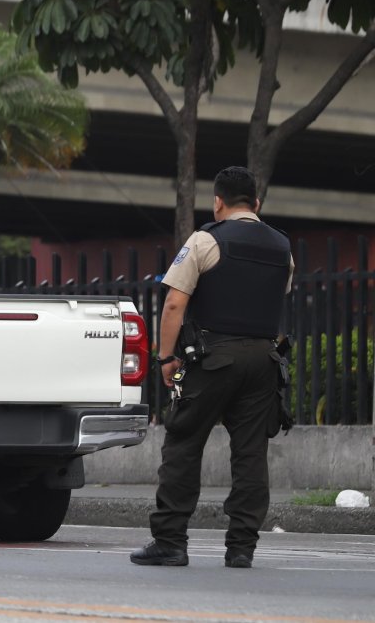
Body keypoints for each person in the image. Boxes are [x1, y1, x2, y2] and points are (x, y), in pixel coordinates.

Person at [131, 166, 293, 569]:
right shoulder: (282, 248)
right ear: (256, 203)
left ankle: (170, 542)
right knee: (251, 453)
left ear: (218, 202)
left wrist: (166, 358)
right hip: (264, 360)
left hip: (212, 357)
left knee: (184, 443)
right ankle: (241, 547)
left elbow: (174, 302)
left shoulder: (206, 240)